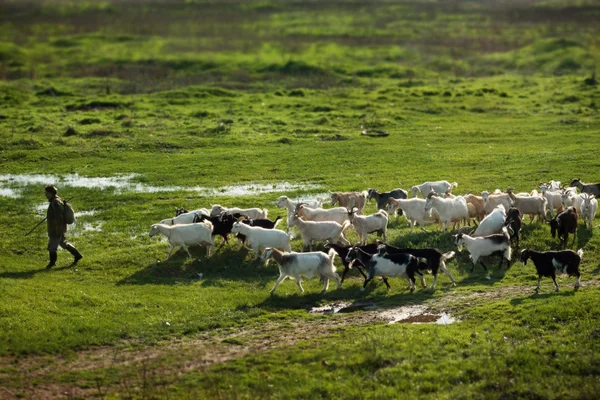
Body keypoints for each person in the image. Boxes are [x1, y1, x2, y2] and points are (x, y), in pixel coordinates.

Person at [44, 185, 83, 269]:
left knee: (52, 246)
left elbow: (59, 217)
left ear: (51, 193)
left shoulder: (55, 202)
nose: (45, 194)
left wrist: (57, 229)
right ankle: (77, 255)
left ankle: (52, 263)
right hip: (58, 228)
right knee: (63, 243)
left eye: (47, 193)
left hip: (56, 229)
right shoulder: (56, 201)